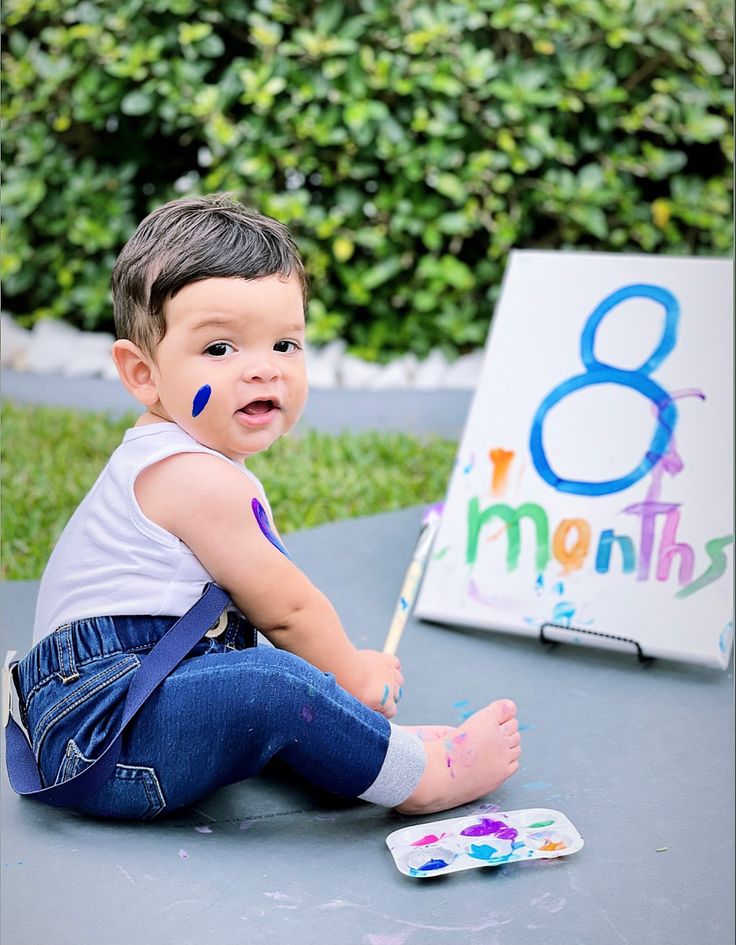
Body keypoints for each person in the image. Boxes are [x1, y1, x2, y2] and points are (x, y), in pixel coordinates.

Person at [17, 194, 521, 820]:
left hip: (113, 709)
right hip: (107, 739)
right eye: (221, 349)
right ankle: (418, 779)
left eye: (285, 344)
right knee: (274, 680)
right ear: (143, 374)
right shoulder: (196, 479)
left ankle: (362, 751)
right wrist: (355, 676)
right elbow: (287, 609)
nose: (263, 371)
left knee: (265, 676)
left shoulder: (180, 459)